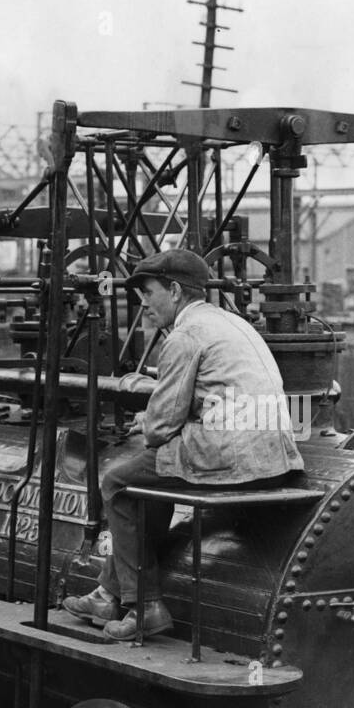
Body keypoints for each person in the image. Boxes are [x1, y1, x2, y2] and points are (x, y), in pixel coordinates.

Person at [62, 248, 303, 641]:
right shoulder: (234, 324)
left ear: (174, 291)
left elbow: (159, 428)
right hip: (273, 456)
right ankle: (107, 594)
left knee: (119, 483)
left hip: (226, 457)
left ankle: (145, 608)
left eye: (149, 293)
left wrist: (147, 420)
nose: (144, 305)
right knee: (151, 484)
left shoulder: (184, 337)